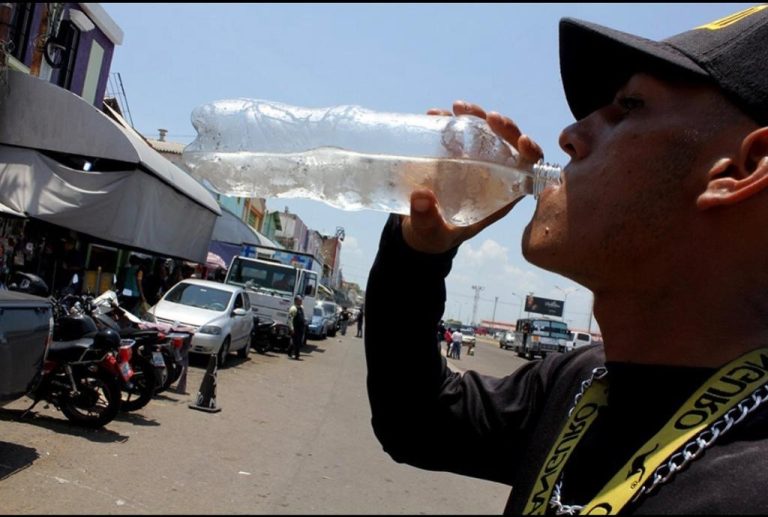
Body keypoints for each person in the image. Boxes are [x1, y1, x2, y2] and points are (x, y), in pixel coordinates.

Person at [364, 6, 768, 514]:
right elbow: (415, 422)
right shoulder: (578, 382)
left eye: (630, 105)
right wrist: (418, 253)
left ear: (741, 167)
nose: (569, 135)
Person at [287, 295, 305, 360]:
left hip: (301, 329)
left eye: (301, 300)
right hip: (295, 328)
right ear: (296, 301)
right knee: (295, 342)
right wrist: (291, 328)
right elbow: (290, 319)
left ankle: (294, 353)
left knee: (299, 342)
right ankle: (295, 354)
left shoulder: (301, 308)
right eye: (299, 300)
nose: (301, 301)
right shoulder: (293, 309)